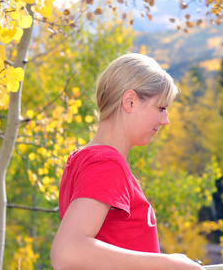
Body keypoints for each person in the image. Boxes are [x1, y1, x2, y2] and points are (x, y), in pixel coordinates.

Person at [50, 53, 204, 270]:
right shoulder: (105, 164)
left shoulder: (83, 160)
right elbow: (67, 252)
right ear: (130, 101)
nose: (165, 120)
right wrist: (168, 264)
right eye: (161, 108)